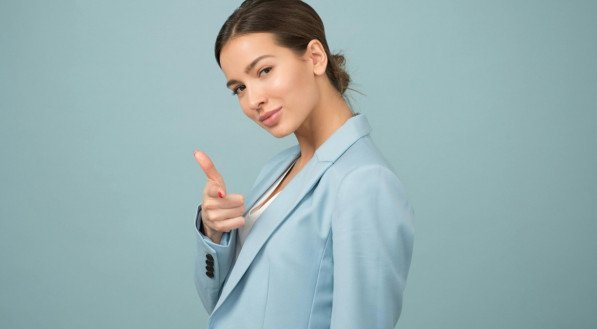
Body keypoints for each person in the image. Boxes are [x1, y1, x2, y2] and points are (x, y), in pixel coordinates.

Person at [192, 1, 414, 328]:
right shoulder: (277, 168)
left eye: (264, 71)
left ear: (315, 57)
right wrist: (214, 231)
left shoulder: (365, 181)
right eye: (239, 88)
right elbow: (223, 305)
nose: (253, 100)